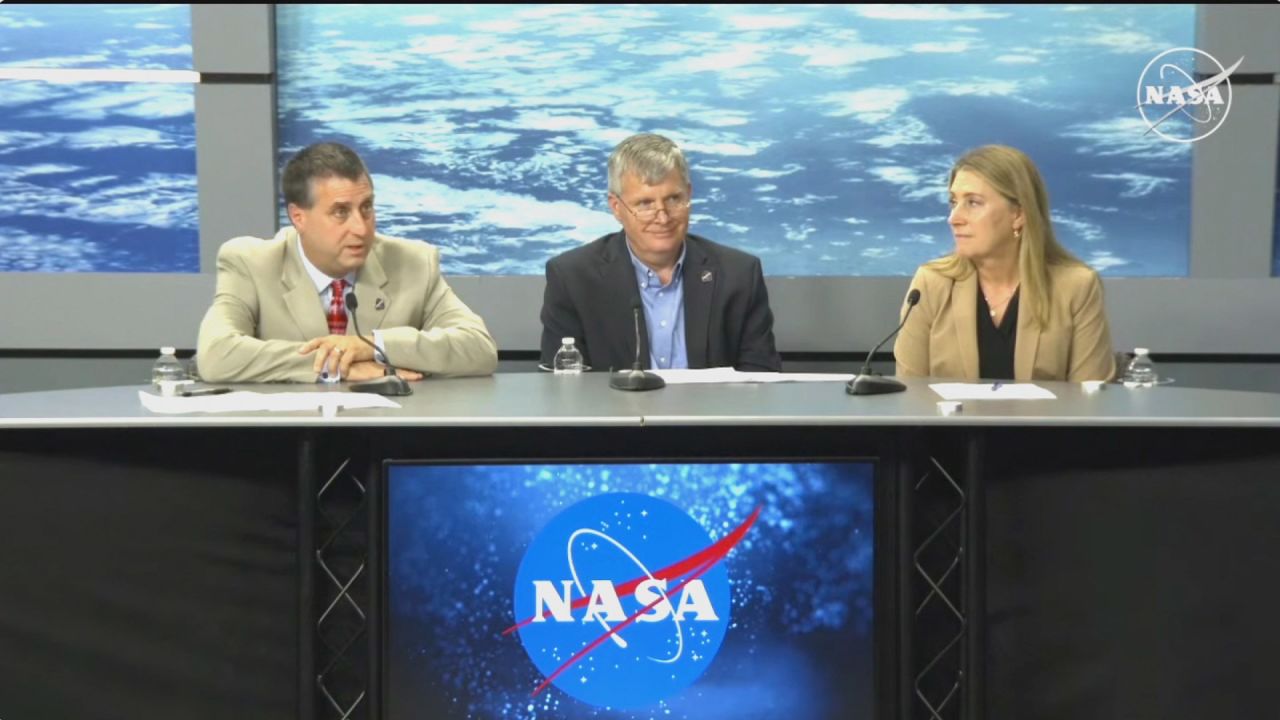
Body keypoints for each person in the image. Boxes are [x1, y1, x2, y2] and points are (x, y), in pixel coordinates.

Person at [197, 142, 497, 383]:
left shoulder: (413, 262)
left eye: (366, 207)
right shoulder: (250, 262)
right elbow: (216, 355)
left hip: (386, 438)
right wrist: (336, 366)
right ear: (298, 217)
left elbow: (478, 348)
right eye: (341, 212)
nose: (361, 228)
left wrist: (373, 345)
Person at [540, 133, 781, 372]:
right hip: (616, 410)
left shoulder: (738, 275)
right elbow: (561, 388)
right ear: (616, 207)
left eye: (674, 199)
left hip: (712, 410)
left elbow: (761, 381)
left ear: (689, 194)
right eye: (645, 204)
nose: (663, 217)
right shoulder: (573, 278)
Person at [893, 145, 1114, 382]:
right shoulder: (931, 283)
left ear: (1018, 214)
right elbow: (910, 396)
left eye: (973, 203)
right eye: (953, 202)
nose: (954, 218)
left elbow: (1091, 401)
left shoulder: (1075, 287)